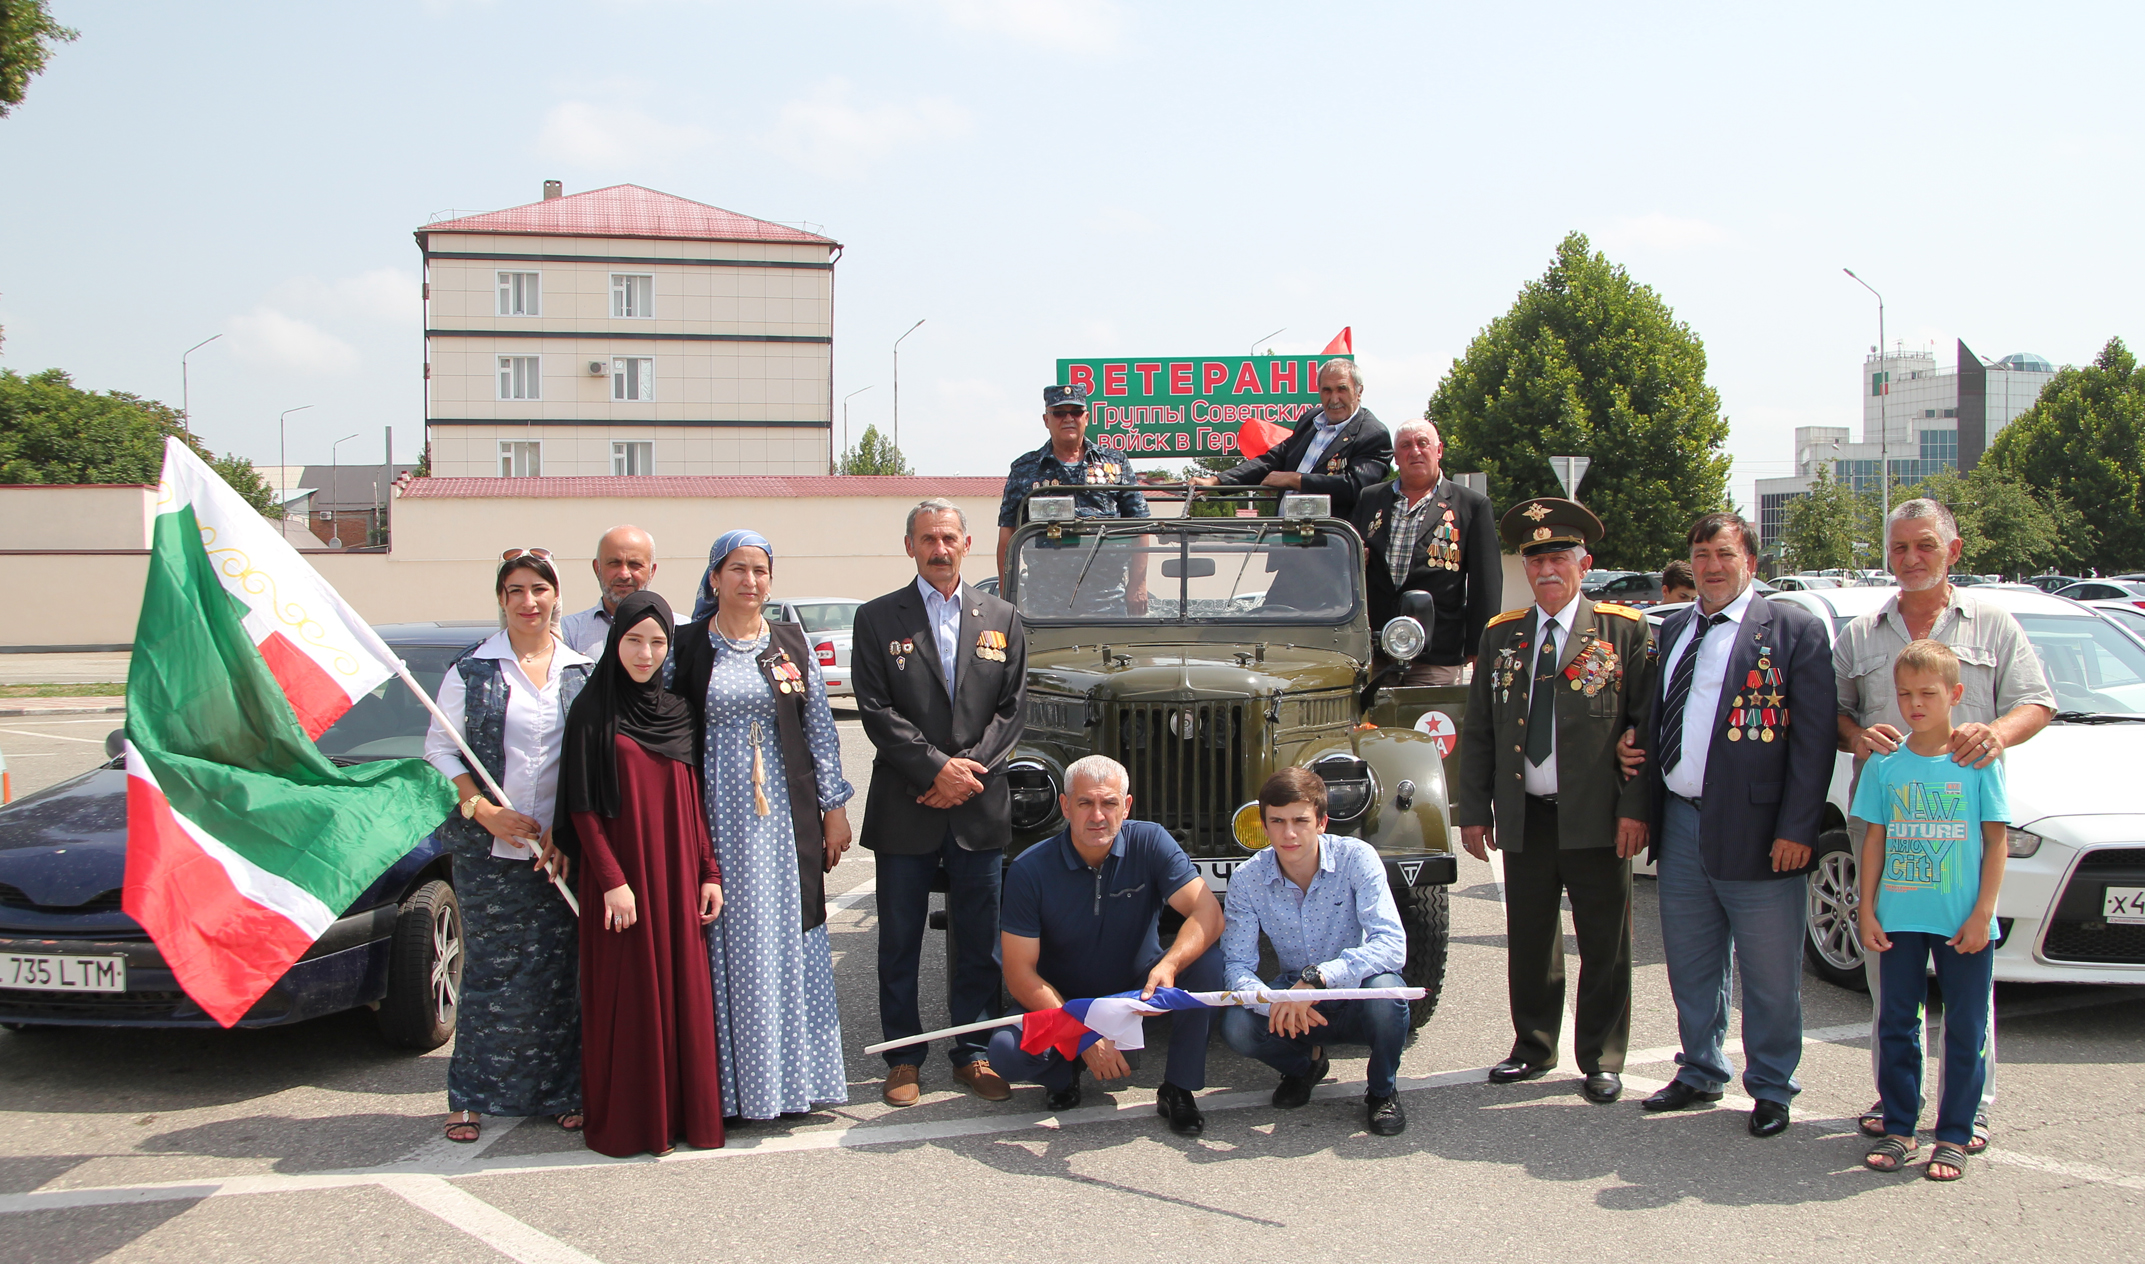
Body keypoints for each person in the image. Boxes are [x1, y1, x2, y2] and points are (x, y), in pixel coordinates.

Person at [1834, 498, 2053, 1154]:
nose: (1909, 559)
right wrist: (1856, 735)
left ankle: (1970, 1110)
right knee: (1889, 988)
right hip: (1883, 828)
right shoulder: (1860, 631)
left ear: (1951, 551)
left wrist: (1994, 733)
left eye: (1923, 545)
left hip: (1960, 840)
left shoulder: (1991, 623)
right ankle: (1894, 1101)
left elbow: (2035, 702)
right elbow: (1833, 713)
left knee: (1966, 987)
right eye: (1898, 548)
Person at [1629, 513, 1832, 1137]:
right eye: (1700, 554)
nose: (1711, 566)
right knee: (1691, 962)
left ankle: (1772, 1086)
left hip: (1763, 829)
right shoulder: (1670, 630)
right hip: (1684, 821)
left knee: (1770, 973)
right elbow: (1648, 719)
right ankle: (1699, 1070)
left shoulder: (1793, 628)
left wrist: (1798, 828)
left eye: (1724, 553)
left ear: (1750, 560)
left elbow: (1815, 740)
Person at [1455, 497, 1653, 1104]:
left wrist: (1635, 808)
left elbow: (1643, 727)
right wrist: (1474, 809)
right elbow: (1481, 728)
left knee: (1603, 941)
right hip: (1526, 816)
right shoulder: (1502, 635)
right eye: (1535, 558)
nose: (1546, 570)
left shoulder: (1623, 630)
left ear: (1583, 563)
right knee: (1531, 937)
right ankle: (1534, 1045)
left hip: (1597, 815)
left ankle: (1601, 1054)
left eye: (1559, 557)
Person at [667, 530, 857, 1121]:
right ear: (714, 578)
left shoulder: (790, 645)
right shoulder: (689, 646)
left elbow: (821, 730)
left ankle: (788, 1084)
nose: (750, 581)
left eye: (761, 571)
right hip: (713, 812)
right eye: (738, 570)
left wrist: (834, 807)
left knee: (786, 939)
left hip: (783, 818)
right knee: (723, 939)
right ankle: (724, 1088)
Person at [853, 499, 1028, 1106]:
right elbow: (875, 709)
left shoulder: (1002, 616)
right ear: (910, 547)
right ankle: (903, 1059)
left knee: (980, 940)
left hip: (978, 805)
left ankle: (973, 1051)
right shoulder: (877, 619)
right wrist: (934, 769)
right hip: (908, 804)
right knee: (899, 938)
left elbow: (1011, 709)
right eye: (927, 538)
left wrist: (965, 773)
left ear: (967, 542)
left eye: (949, 536)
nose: (939, 547)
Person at [424, 547, 595, 1143]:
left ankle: (565, 1090)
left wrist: (569, 830)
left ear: (556, 597)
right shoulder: (471, 670)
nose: (529, 602)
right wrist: (483, 810)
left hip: (563, 855)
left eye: (539, 590)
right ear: (502, 599)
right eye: (516, 591)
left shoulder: (582, 672)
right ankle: (471, 1096)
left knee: (560, 972)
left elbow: (591, 761)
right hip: (490, 853)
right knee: (496, 973)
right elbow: (440, 750)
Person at [555, 590, 725, 1157]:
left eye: (656, 642)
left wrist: (708, 870)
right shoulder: (592, 711)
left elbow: (692, 798)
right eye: (633, 641)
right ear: (614, 642)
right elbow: (581, 807)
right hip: (624, 882)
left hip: (677, 872)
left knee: (682, 990)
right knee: (630, 998)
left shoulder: (678, 711)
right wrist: (611, 880)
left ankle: (683, 1118)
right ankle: (635, 1123)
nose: (645, 653)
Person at [983, 756, 1224, 1135]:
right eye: (1085, 803)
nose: (1098, 815)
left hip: (1136, 993)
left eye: (1109, 803)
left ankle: (1179, 1087)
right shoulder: (1030, 870)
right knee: (1006, 1053)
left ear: (1126, 807)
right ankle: (1065, 1074)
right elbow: (1019, 974)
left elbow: (1208, 913)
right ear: (1065, 806)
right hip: (1066, 1001)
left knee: (1209, 963)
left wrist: (1170, 965)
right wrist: (1081, 1034)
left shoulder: (1151, 842)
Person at [1853, 640, 2008, 1183]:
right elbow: (1874, 840)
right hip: (1898, 916)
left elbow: (1996, 842)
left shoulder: (1980, 764)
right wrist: (1866, 910)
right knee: (1898, 1022)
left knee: (1965, 1027)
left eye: (1928, 693)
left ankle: (1954, 1134)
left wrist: (1982, 912)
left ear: (1956, 695)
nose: (1915, 704)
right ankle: (1899, 1125)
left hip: (1963, 919)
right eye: (1904, 694)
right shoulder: (1884, 765)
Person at [1219, 768, 1411, 1136]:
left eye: (1300, 821)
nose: (1288, 833)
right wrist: (1274, 1002)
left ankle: (1382, 1091)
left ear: (1322, 822)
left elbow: (1391, 944)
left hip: (1354, 988)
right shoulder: (1247, 878)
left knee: (1388, 993)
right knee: (1238, 1025)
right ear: (1264, 825)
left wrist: (1320, 978)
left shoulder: (1357, 858)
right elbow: (1237, 966)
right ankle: (1305, 1065)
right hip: (1295, 999)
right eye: (1277, 821)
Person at [1349, 419, 1499, 685]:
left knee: (1428, 724)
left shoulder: (1471, 505)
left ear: (1439, 450)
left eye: (1422, 443)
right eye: (1405, 446)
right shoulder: (1370, 498)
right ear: (1396, 457)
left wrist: (1479, 649)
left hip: (1436, 654)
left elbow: (1485, 585)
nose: (1414, 451)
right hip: (1374, 653)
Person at [995, 384, 1151, 616]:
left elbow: (1141, 528)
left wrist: (1138, 584)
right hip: (1046, 602)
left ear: (1086, 418)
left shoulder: (1116, 463)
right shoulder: (1025, 469)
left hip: (1106, 599)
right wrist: (1008, 593)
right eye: (1059, 413)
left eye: (1076, 412)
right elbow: (1008, 536)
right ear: (1046, 419)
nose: (1068, 418)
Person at [1188, 359, 1392, 517]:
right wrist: (1215, 482)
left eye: (1342, 389)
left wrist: (1296, 480)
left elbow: (1355, 487)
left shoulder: (1373, 434)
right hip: (1287, 541)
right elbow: (1272, 460)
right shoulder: (1310, 419)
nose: (1334, 399)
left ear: (1359, 392)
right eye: (1326, 390)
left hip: (1334, 547)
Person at [561, 525, 658, 657]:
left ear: (652, 571)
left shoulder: (679, 630)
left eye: (634, 564)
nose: (624, 575)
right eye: (614, 563)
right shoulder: (569, 632)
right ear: (597, 568)